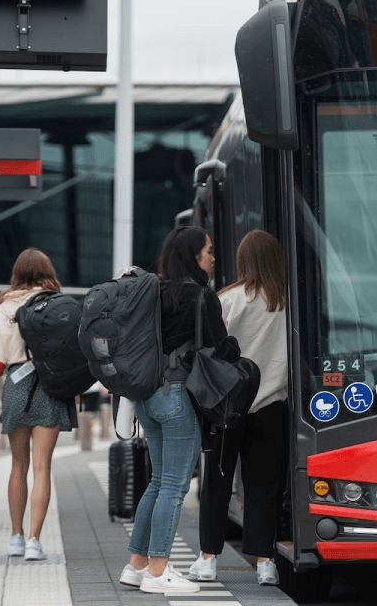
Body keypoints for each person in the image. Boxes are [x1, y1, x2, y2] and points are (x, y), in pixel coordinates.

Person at [118, 225, 229, 595]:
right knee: (175, 486)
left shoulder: (154, 293)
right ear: (194, 256)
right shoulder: (201, 297)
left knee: (158, 480)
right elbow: (221, 348)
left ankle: (135, 566)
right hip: (179, 397)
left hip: (147, 397)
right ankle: (158, 570)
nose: (213, 256)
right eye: (209, 250)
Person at [188, 229, 287, 587]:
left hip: (228, 407)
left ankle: (208, 558)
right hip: (272, 405)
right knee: (264, 485)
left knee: (217, 481)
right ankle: (265, 561)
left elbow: (213, 354)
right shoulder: (287, 302)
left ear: (243, 261)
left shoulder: (226, 300)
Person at [0, 248, 77, 562]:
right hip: (52, 386)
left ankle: (15, 538)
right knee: (43, 467)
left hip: (17, 385)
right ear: (48, 270)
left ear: (16, 273)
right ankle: (34, 541)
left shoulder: (6, 306)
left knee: (19, 465)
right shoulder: (58, 303)